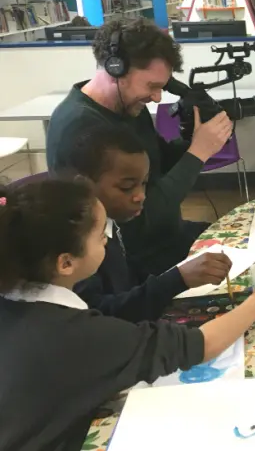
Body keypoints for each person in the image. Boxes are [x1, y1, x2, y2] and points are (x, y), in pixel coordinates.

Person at [0, 178, 255, 451]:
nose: (108, 240)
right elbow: (201, 345)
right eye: (101, 236)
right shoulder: (75, 334)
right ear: (66, 263)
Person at [46, 18, 234, 279]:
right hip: (132, 262)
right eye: (152, 86)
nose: (157, 97)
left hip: (165, 238)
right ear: (115, 69)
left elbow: (157, 165)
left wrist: (198, 140)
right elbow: (140, 219)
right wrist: (198, 152)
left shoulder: (130, 108)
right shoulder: (82, 128)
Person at [63, 126, 234, 322]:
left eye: (144, 183)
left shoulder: (111, 222)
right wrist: (177, 279)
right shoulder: (76, 243)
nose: (140, 196)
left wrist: (177, 277)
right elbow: (101, 314)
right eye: (126, 187)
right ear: (85, 185)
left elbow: (126, 279)